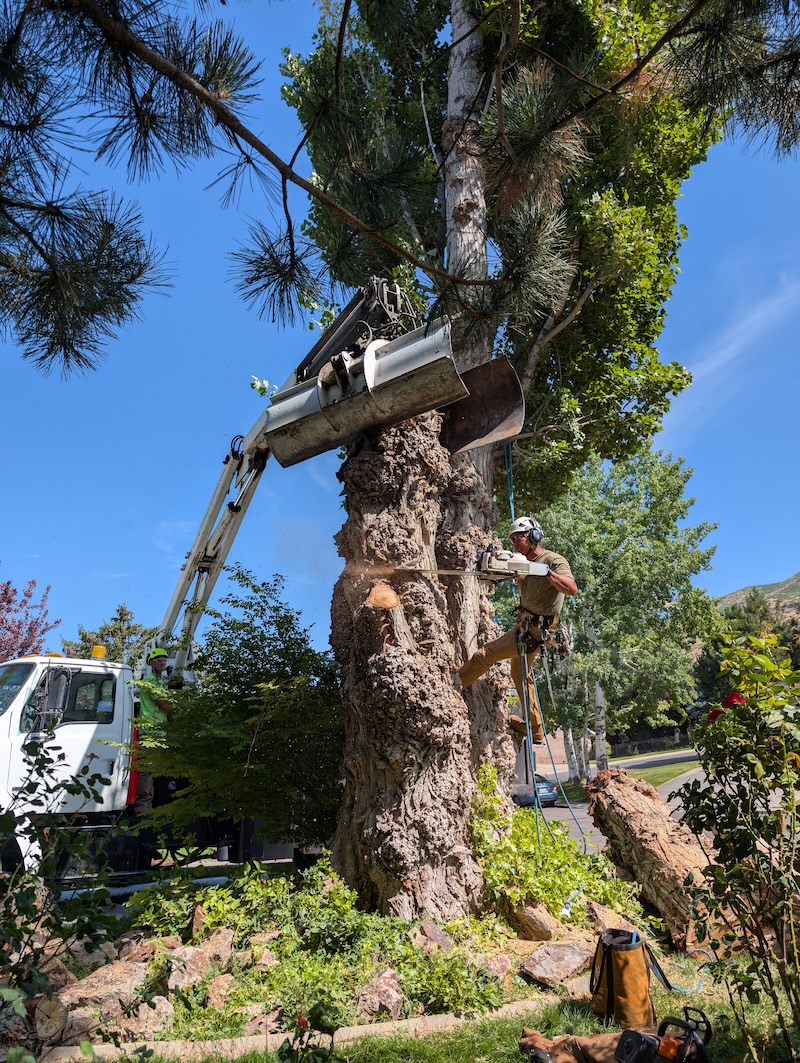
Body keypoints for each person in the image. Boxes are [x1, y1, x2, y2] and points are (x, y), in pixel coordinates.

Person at [455, 516, 578, 741]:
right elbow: (513, 575)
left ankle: (454, 688)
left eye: (518, 537)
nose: (514, 542)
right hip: (525, 628)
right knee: (520, 673)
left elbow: (571, 589)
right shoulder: (521, 561)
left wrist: (546, 572)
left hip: (537, 631)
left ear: (534, 536)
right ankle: (536, 728)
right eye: (512, 539)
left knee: (485, 655)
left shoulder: (553, 560)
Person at [134, 647, 172, 815]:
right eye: (159, 660)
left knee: (153, 773)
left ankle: (148, 808)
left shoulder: (158, 681)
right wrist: (183, 706)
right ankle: (143, 809)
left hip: (158, 733)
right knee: (147, 772)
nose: (162, 663)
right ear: (151, 663)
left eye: (164, 660)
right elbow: (164, 704)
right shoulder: (150, 680)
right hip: (150, 733)